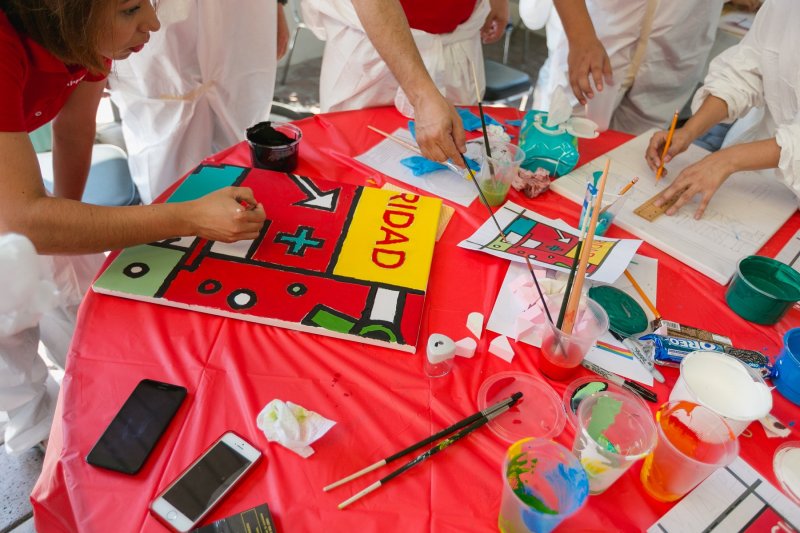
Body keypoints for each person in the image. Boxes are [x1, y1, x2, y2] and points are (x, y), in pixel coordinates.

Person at [0, 0, 266, 454]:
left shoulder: (83, 34)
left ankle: (89, 403)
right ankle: (35, 435)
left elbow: (76, 126)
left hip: (19, 195)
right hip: (14, 202)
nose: (154, 24)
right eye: (130, 9)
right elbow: (23, 219)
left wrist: (67, 221)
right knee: (10, 329)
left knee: (76, 294)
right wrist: (187, 217)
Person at [108, 1, 290, 204]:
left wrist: (277, 6)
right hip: (156, 39)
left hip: (241, 15)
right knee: (167, 164)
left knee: (242, 143)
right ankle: (169, 227)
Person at [301, 0, 509, 165]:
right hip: (373, 44)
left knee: (451, 167)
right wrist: (422, 97)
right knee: (357, 164)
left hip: (458, 37)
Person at [646, 0, 799, 220]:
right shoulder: (783, 5)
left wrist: (725, 160)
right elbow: (744, 71)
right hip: (763, 180)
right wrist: (689, 131)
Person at [525, 0, 729, 135]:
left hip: (676, 45)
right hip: (594, 35)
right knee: (559, 142)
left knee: (633, 161)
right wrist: (580, 36)